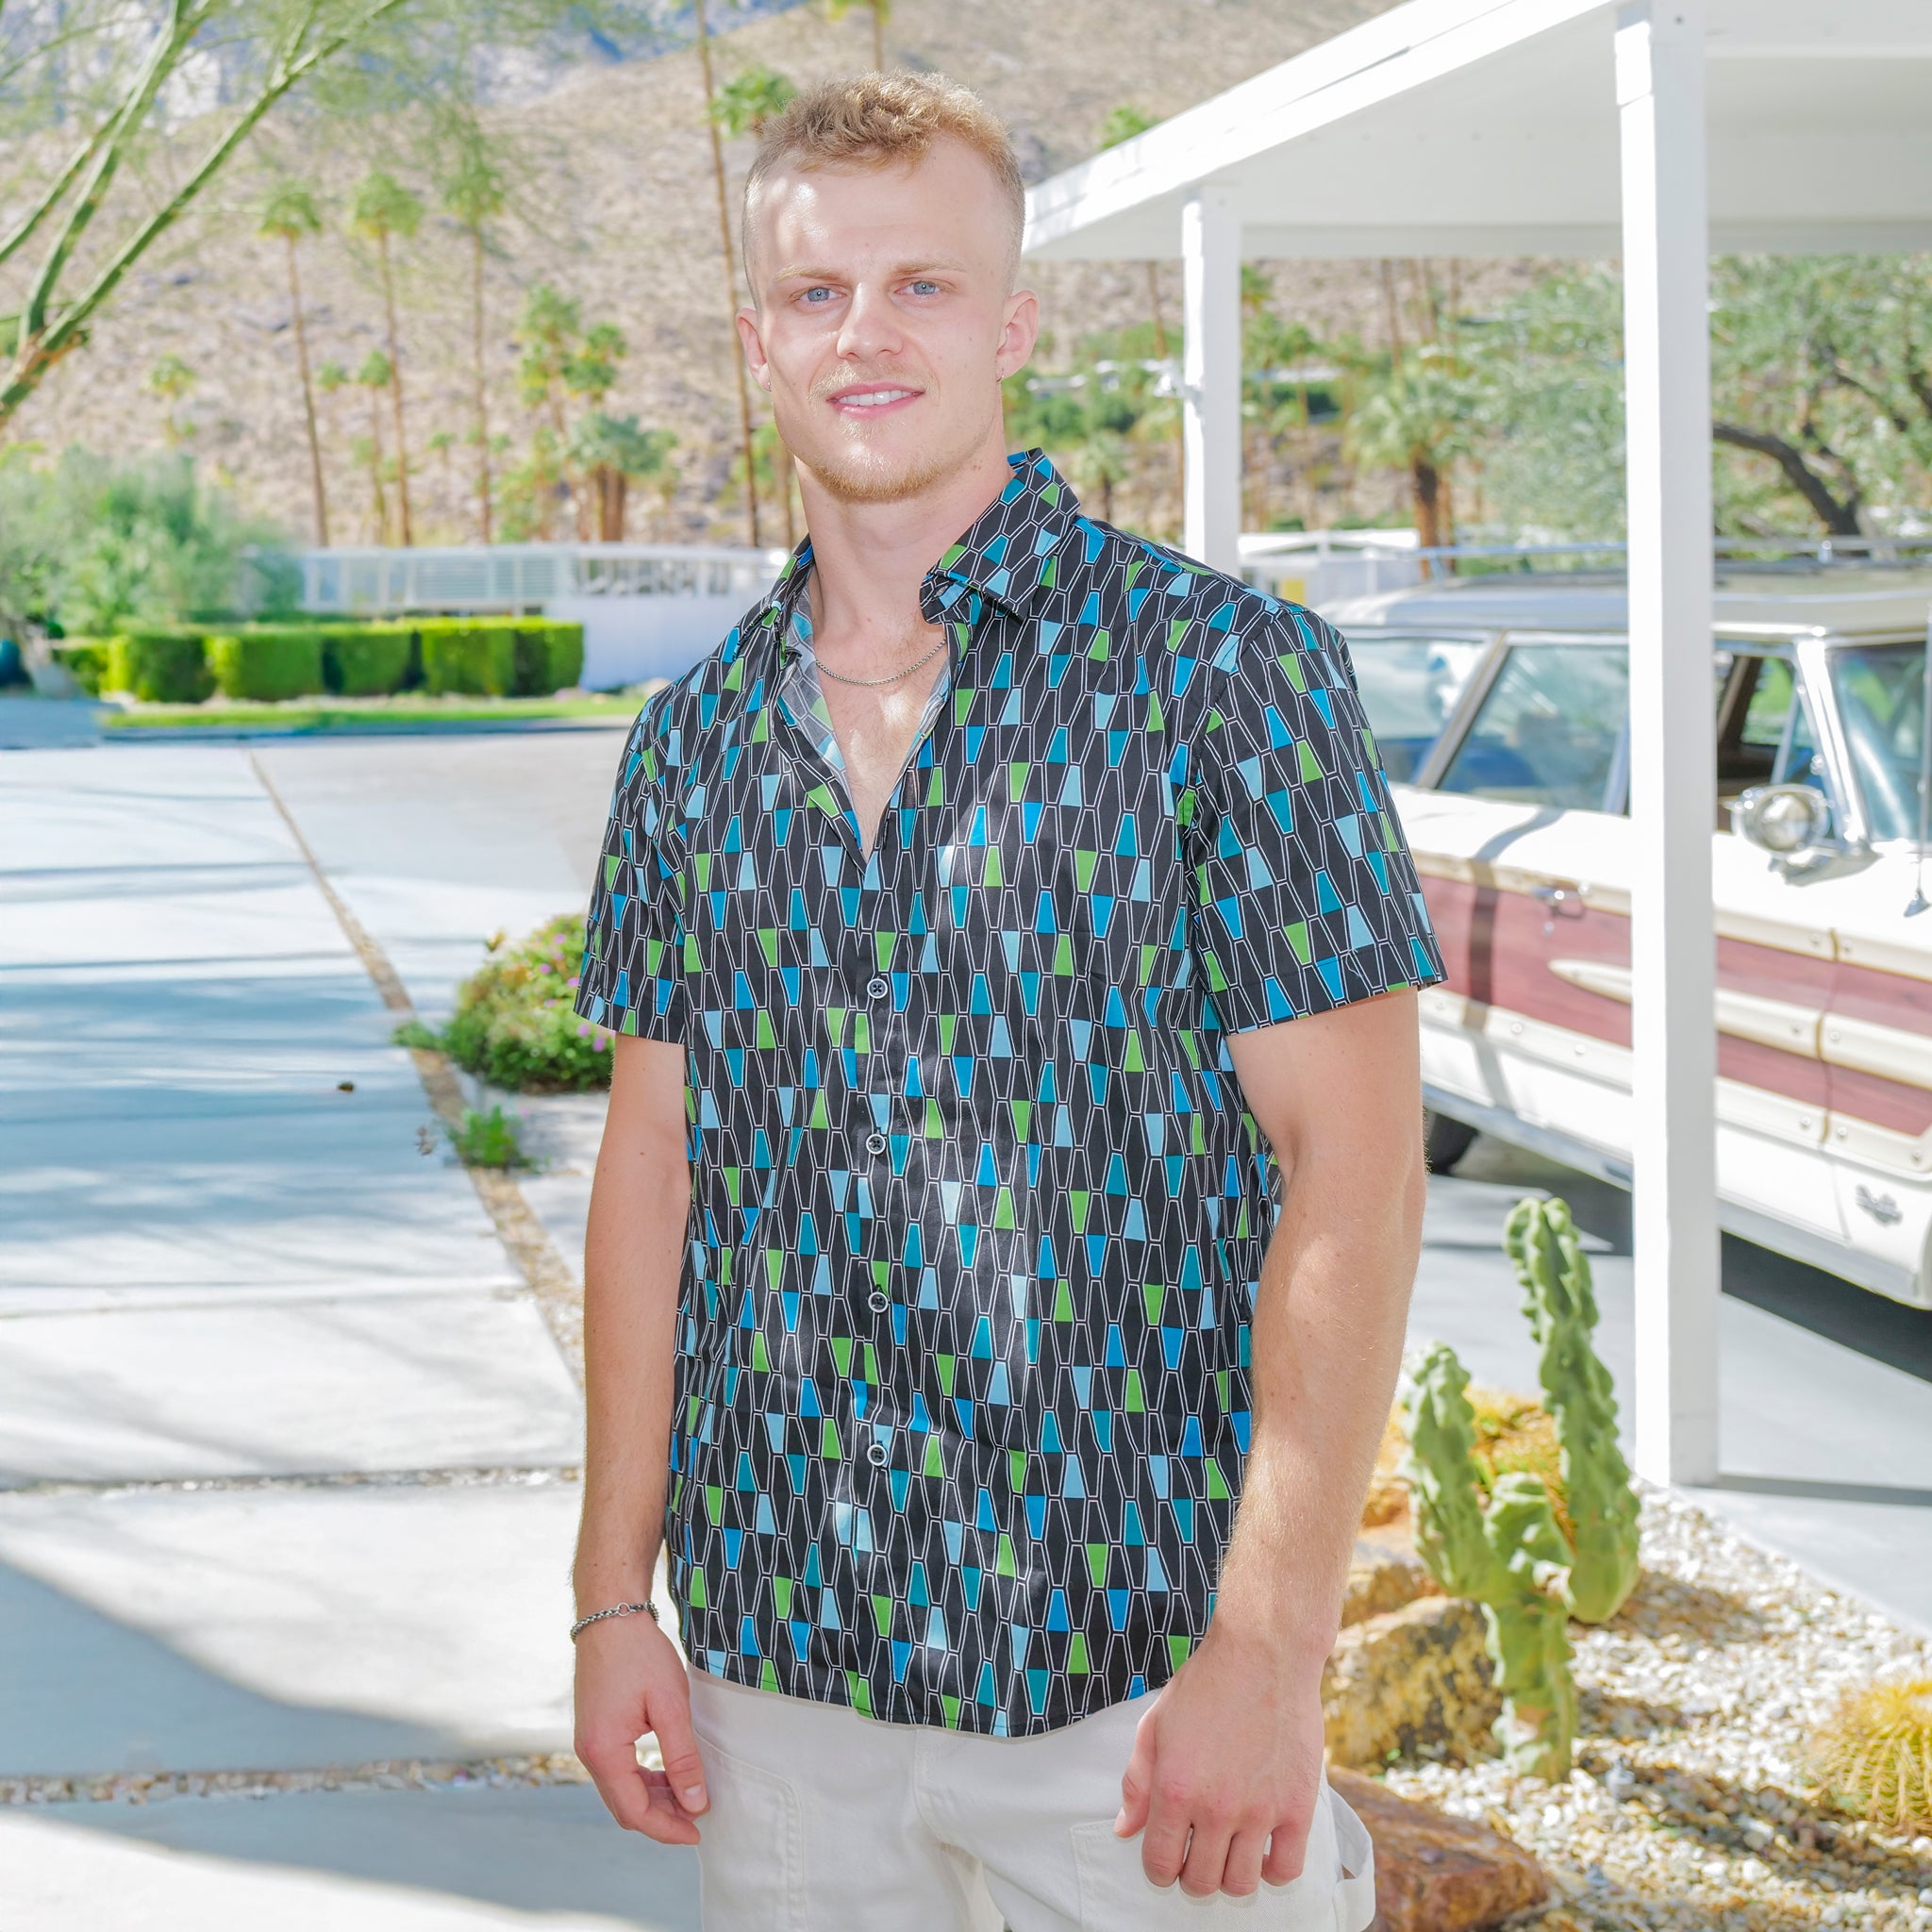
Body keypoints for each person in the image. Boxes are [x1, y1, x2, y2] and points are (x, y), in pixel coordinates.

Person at [569, 70, 1442, 1932]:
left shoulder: (1223, 676)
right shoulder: (690, 743)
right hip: (780, 1678)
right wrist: (610, 1598)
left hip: (1138, 1693)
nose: (865, 334)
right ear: (758, 337)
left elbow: (1355, 1173)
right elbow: (654, 1171)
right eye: (816, 293)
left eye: (923, 285)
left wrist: (1269, 1649)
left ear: (1013, 323)